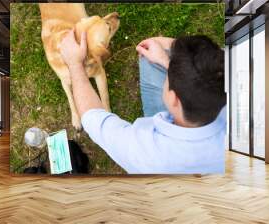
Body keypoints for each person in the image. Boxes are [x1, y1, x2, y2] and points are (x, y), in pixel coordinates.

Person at [59, 30, 226, 174]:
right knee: (154, 49)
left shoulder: (147, 154)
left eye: (169, 79)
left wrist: (74, 63)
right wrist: (166, 61)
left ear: (174, 99)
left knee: (153, 49)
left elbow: (92, 116)